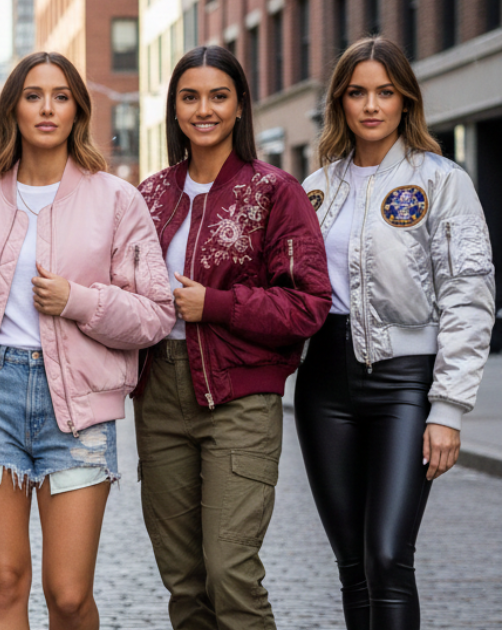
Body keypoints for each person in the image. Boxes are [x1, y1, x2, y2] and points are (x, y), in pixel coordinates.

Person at [0, 51, 174, 630]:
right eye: (34, 95)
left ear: (77, 110)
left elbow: (157, 313)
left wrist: (79, 301)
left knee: (67, 595)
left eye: (60, 96)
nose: (47, 107)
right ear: (13, 108)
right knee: (4, 584)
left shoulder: (117, 199)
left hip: (79, 408)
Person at [296, 36, 495, 630]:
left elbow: (469, 291)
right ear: (340, 102)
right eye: (357, 92)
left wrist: (449, 408)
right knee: (353, 564)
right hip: (324, 386)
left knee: (387, 556)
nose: (371, 105)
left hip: (406, 384)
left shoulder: (441, 180)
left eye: (386, 92)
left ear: (406, 100)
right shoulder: (316, 188)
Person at [133, 45, 331, 629]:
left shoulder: (275, 191)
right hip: (160, 396)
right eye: (190, 97)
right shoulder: (149, 195)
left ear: (240, 105)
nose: (204, 109)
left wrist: (213, 305)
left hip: (239, 399)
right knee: (184, 582)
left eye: (218, 96)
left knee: (230, 571)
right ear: (174, 109)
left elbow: (308, 303)